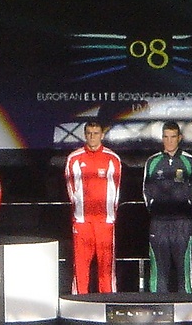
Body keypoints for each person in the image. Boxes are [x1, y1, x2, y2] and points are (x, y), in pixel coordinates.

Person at [142, 121, 192, 293]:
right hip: (158, 223)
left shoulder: (190, 162)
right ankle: (158, 306)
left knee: (185, 273)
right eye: (166, 137)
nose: (169, 141)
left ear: (179, 138)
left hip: (182, 224)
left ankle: (187, 306)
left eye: (173, 137)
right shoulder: (152, 161)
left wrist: (186, 210)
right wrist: (156, 209)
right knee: (159, 273)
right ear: (162, 138)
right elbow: (146, 191)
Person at [64, 121, 122, 294]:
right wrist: (79, 215)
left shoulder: (112, 158)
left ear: (102, 135)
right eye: (89, 133)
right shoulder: (74, 158)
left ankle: (108, 301)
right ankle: (78, 304)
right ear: (84, 135)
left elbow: (116, 190)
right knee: (81, 268)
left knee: (106, 269)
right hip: (82, 222)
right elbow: (71, 189)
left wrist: (110, 217)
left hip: (104, 222)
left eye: (96, 133)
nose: (92, 137)